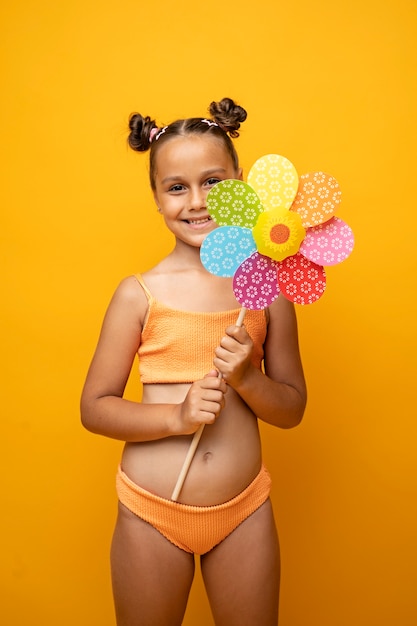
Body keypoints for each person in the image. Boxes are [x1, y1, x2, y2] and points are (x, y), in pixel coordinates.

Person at [81, 97, 307, 626]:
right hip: (151, 513)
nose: (197, 201)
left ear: (242, 180)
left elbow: (292, 408)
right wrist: (176, 418)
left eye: (214, 181)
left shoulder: (268, 289)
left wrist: (247, 376)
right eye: (177, 187)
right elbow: (94, 408)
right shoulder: (139, 294)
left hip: (244, 510)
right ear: (157, 198)